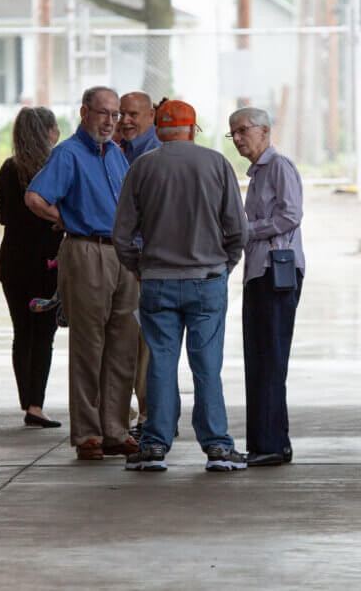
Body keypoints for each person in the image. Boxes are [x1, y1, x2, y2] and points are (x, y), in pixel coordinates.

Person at [114, 99, 249, 472]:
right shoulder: (217, 165)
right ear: (192, 130)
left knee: (160, 362)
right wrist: (224, 266)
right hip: (207, 281)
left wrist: (140, 268)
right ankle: (217, 448)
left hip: (157, 282)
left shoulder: (142, 167)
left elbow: (122, 234)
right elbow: (238, 230)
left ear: (158, 129)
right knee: (207, 365)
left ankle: (155, 445)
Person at [25, 86, 139, 460]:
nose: (110, 122)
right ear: (85, 113)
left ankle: (115, 430)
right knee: (89, 345)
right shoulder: (69, 154)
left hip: (122, 254)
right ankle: (88, 433)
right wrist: (65, 218)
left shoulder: (117, 156)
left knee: (123, 346)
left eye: (115, 115)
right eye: (103, 113)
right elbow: (34, 197)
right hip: (86, 250)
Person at [228, 107, 305, 467]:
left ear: (264, 130)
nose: (238, 138)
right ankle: (274, 442)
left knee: (268, 359)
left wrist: (248, 230)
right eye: (234, 133)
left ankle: (269, 444)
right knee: (262, 359)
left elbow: (291, 215)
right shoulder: (259, 173)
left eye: (243, 130)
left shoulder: (278, 167)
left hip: (276, 273)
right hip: (261, 272)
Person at [0, 106, 65, 428]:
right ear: (48, 132)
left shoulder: (9, 169)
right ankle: (36, 405)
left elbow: (3, 217)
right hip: (46, 264)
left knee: (21, 333)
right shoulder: (54, 169)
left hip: (12, 264)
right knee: (43, 335)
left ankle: (28, 403)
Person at [116, 91, 160, 438]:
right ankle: (144, 413)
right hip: (127, 257)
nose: (125, 121)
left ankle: (152, 418)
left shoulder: (153, 153)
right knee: (132, 342)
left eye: (132, 114)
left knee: (146, 345)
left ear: (151, 116)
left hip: (145, 260)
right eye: (120, 115)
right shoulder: (124, 150)